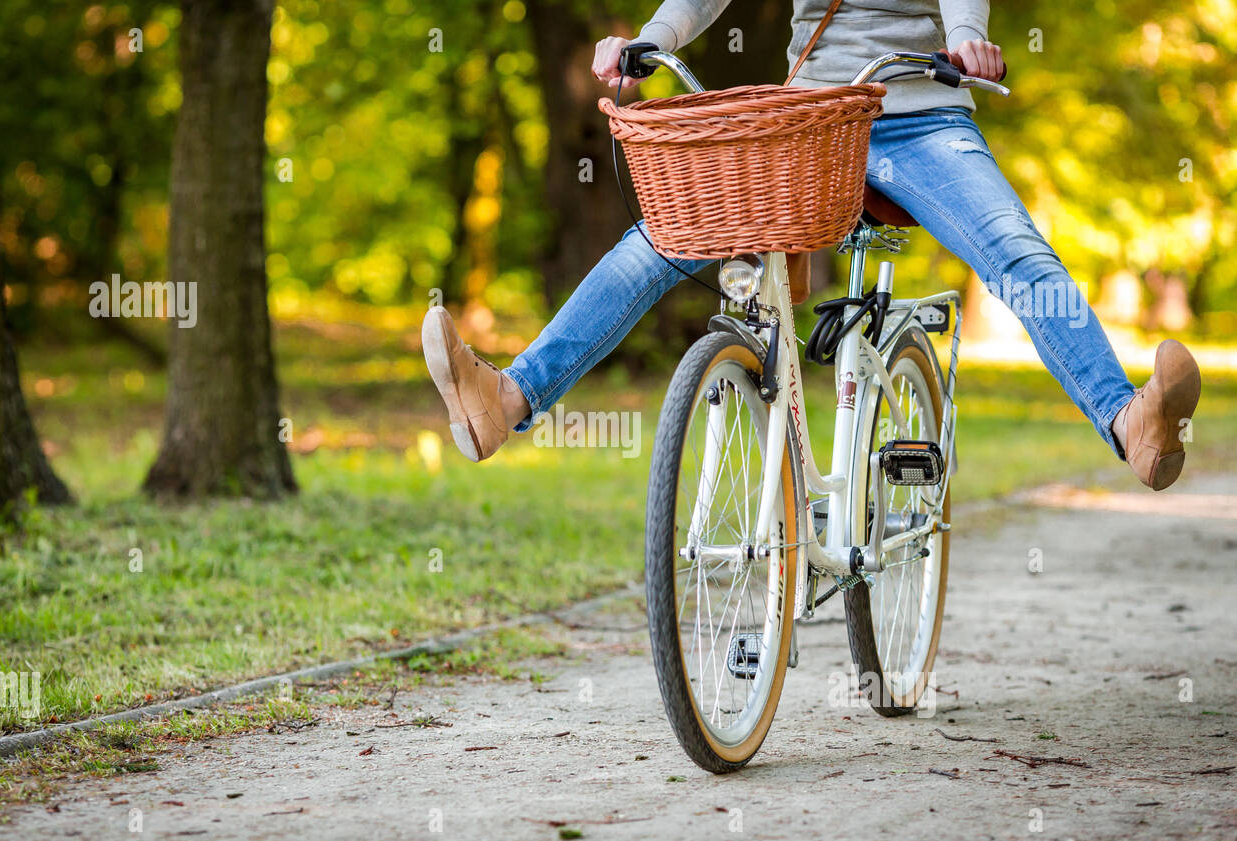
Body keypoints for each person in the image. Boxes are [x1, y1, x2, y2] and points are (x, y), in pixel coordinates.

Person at [421, 0, 1201, 491]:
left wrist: (967, 36)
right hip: (812, 121)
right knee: (661, 235)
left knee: (1017, 255)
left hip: (922, 110)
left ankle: (1128, 420)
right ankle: (507, 400)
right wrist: (650, 38)